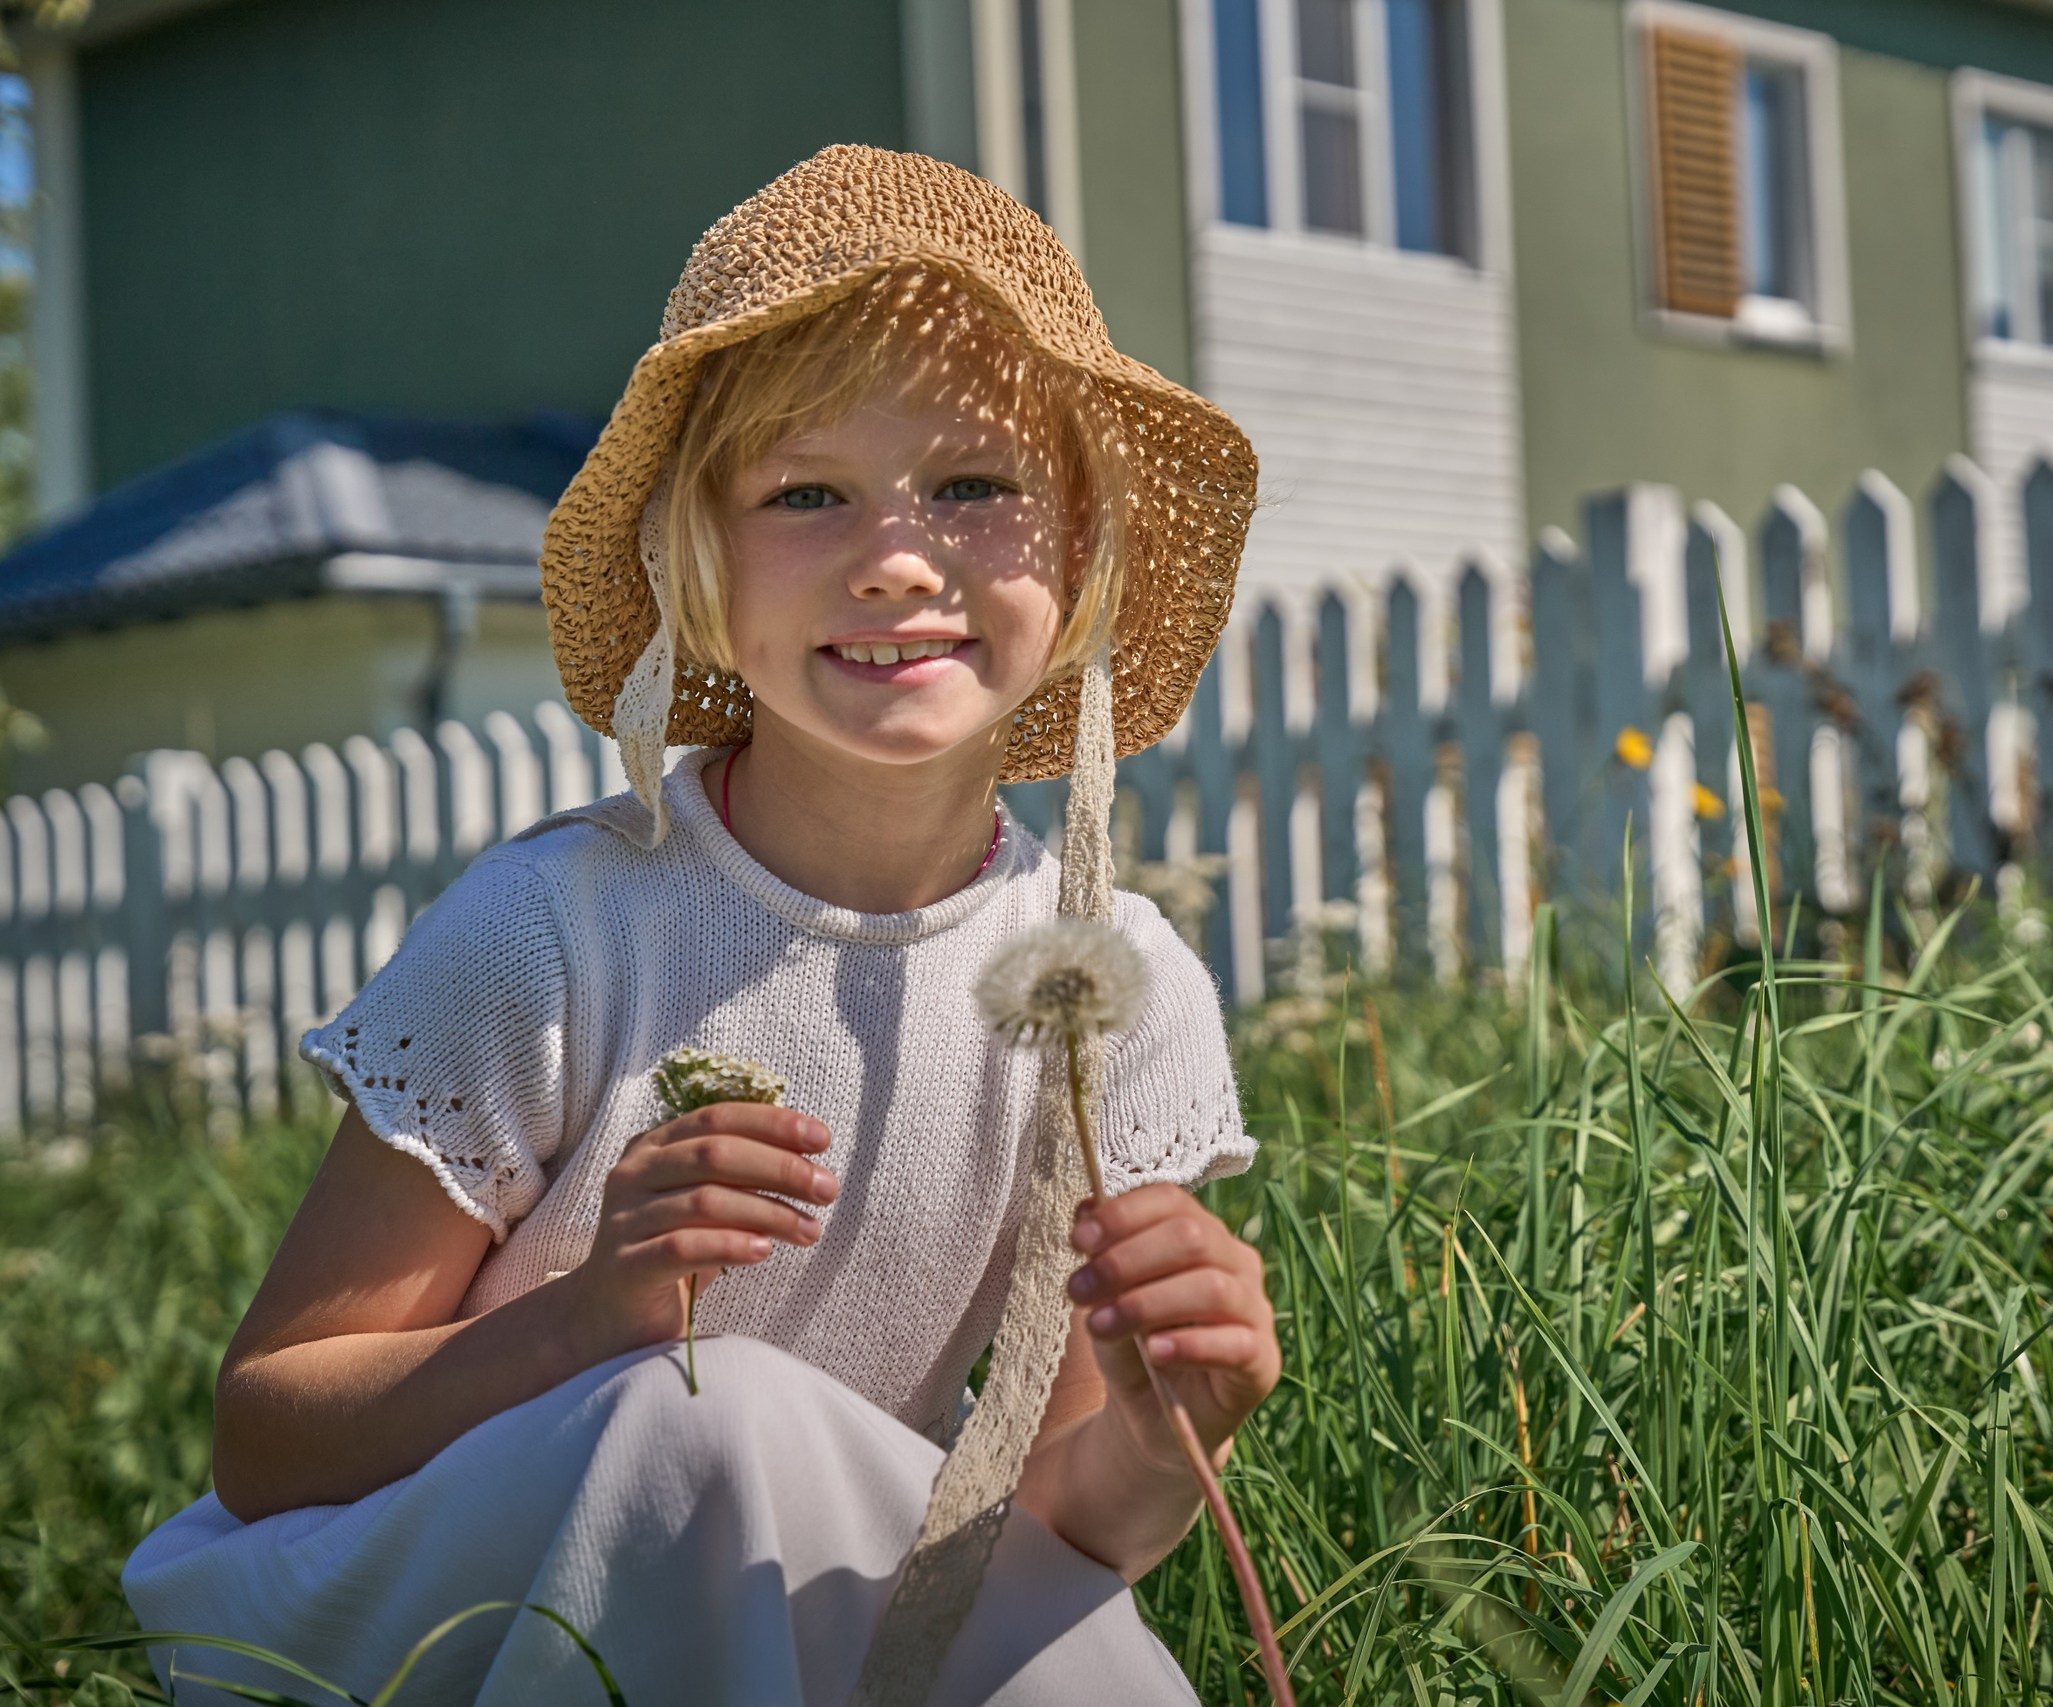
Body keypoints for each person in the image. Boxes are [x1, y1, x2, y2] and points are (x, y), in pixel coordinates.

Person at [123, 145, 1275, 1706]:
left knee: (1106, 1665)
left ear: (1078, 546)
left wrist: (1167, 1429)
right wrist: (596, 1314)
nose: (897, 556)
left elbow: (1059, 1537)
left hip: (770, 1588)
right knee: (704, 1415)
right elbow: (268, 1441)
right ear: (700, 566)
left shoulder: (1121, 983)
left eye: (976, 485)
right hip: (396, 1612)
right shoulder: (556, 930)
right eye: (807, 492)